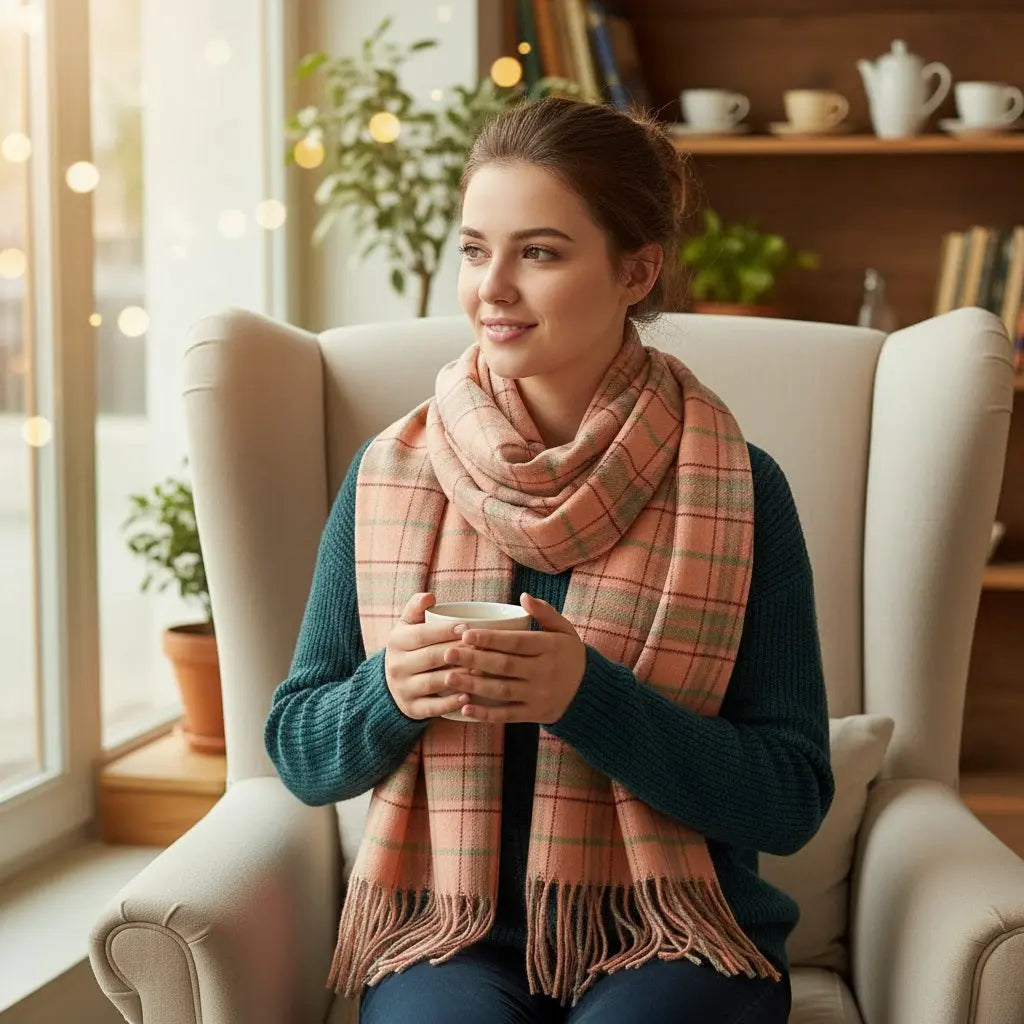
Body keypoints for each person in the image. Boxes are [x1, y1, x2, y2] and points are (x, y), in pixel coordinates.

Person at [265, 96, 834, 1024]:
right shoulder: (392, 475)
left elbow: (789, 798)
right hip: (448, 933)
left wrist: (588, 697)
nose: (491, 288)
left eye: (539, 252)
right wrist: (389, 692)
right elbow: (299, 752)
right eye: (474, 249)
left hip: (678, 932)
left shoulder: (740, 488)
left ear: (635, 270)